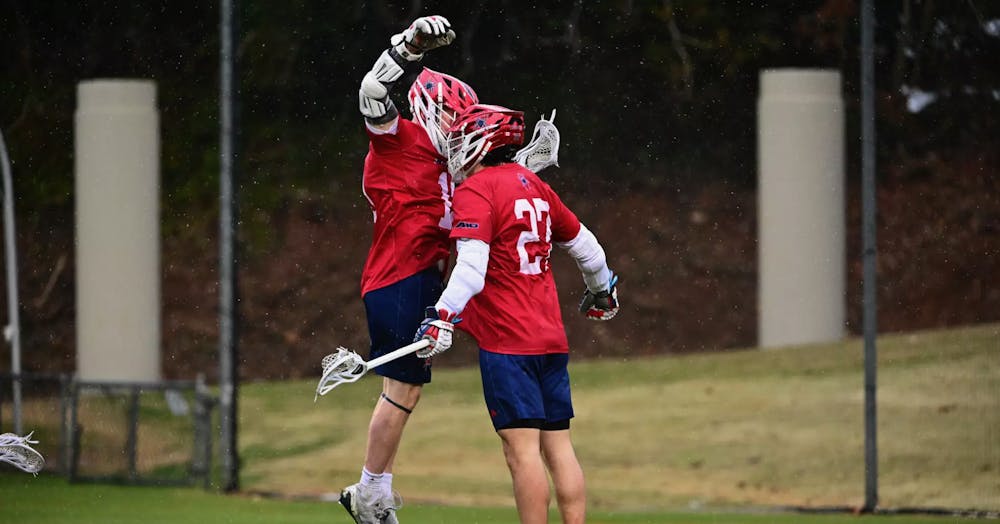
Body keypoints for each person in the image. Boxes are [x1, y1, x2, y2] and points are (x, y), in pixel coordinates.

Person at [413, 103, 621, 524]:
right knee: (558, 447)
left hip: (509, 344)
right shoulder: (535, 185)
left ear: (479, 143)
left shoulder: (476, 191)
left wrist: (442, 314)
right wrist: (602, 294)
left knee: (521, 452)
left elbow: (471, 269)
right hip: (549, 339)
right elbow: (590, 251)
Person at [336, 15, 479, 524]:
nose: (456, 129)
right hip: (398, 275)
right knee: (404, 387)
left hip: (420, 276)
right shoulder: (399, 140)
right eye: (451, 118)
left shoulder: (444, 160)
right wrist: (409, 45)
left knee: (403, 388)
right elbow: (372, 90)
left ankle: (379, 489)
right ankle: (369, 491)